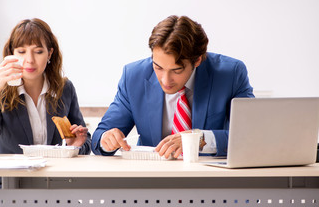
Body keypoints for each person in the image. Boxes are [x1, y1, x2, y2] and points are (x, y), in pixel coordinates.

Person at [92, 15, 254, 158]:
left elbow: (249, 135)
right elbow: (99, 137)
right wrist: (108, 138)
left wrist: (199, 139)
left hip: (211, 177)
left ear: (197, 60)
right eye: (158, 67)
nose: (165, 80)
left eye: (176, 70)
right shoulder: (134, 76)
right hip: (153, 178)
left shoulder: (230, 74)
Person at [0, 18, 91, 204]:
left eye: (38, 51)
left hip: (52, 187)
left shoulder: (64, 89)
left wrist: (74, 146)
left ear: (50, 53)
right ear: (11, 54)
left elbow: (85, 140)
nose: (30, 60)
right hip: (4, 188)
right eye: (21, 51)